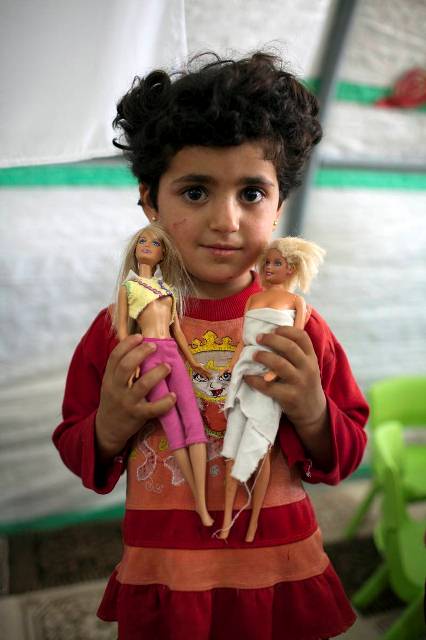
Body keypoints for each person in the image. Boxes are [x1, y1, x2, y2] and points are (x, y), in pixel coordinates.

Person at [53, 51, 369, 640]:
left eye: (251, 193)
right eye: (195, 192)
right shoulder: (116, 327)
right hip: (167, 582)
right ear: (150, 200)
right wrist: (111, 423)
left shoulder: (301, 328)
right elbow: (78, 452)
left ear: (278, 207)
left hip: (279, 579)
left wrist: (312, 410)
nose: (226, 220)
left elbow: (344, 456)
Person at [220, 237, 325, 542]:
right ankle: (227, 519)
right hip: (245, 372)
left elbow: (293, 340)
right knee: (231, 449)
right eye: (266, 262)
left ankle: (252, 523)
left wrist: (272, 372)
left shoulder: (296, 302)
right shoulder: (253, 300)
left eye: (276, 262)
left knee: (261, 449)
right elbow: (242, 338)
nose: (268, 268)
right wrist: (232, 365)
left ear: (291, 268)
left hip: (271, 376)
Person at [116, 222, 213, 526]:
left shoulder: (167, 289)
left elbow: (177, 330)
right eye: (142, 241)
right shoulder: (129, 287)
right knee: (172, 425)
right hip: (148, 354)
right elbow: (122, 331)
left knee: (194, 423)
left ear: (163, 255)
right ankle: (199, 503)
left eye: (154, 243)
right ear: (134, 250)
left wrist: (193, 360)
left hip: (171, 351)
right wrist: (130, 364)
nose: (146, 245)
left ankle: (201, 498)